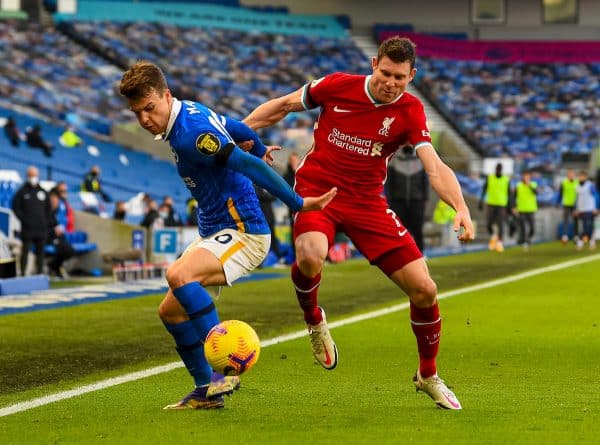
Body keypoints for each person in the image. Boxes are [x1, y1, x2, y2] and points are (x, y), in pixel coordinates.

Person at [244, 36, 474, 410]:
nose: (391, 83)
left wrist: (460, 206)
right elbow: (284, 105)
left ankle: (428, 375)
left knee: (425, 289)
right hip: (319, 191)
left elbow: (433, 164)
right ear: (373, 64)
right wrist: (235, 133)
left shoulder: (411, 110)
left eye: (400, 77)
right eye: (386, 73)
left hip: (367, 202)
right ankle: (314, 320)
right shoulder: (337, 86)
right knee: (311, 255)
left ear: (411, 75)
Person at [119, 61, 335, 410]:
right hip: (214, 231)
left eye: (149, 108)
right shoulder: (187, 111)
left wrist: (297, 201)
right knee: (170, 312)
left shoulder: (190, 133)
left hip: (243, 231)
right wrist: (259, 142)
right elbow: (232, 126)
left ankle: (224, 370)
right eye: (137, 112)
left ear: (166, 96)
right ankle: (207, 391)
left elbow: (245, 164)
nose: (144, 119)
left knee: (178, 274)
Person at [385, 144, 429, 251]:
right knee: (399, 229)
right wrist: (390, 199)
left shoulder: (420, 160)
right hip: (398, 200)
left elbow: (425, 182)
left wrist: (424, 199)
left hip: (416, 200)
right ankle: (400, 252)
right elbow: (389, 183)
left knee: (418, 228)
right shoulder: (394, 161)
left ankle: (420, 253)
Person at [11, 166, 52, 276]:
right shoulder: (22, 192)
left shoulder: (43, 192)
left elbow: (49, 208)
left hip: (41, 229)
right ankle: (23, 273)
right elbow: (15, 207)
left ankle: (40, 273)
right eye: (31, 175)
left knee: (40, 253)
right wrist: (24, 219)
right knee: (25, 251)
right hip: (27, 228)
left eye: (34, 175)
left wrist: (46, 222)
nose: (33, 177)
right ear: (27, 176)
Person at [479, 163, 510, 252]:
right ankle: (493, 236)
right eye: (497, 168)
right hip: (491, 204)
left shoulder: (506, 179)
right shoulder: (490, 178)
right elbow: (484, 189)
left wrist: (510, 207)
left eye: (499, 169)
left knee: (500, 224)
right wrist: (481, 201)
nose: (498, 170)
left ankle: (499, 243)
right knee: (489, 223)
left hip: (501, 205)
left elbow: (509, 193)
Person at [47, 190, 75, 278]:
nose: (54, 202)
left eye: (56, 200)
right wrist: (53, 230)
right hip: (49, 237)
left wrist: (59, 229)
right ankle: (54, 267)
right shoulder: (45, 212)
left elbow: (59, 224)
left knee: (70, 250)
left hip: (59, 236)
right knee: (64, 249)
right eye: (52, 200)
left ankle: (54, 266)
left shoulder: (58, 211)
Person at [254, 184, 283, 263]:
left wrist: (267, 195)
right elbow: (259, 195)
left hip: (269, 217)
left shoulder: (265, 186)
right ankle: (260, 262)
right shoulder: (256, 186)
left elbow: (273, 197)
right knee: (260, 240)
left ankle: (279, 257)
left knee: (273, 239)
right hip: (261, 217)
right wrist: (266, 195)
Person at [512, 171, 538, 251]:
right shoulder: (518, 186)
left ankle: (528, 238)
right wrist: (514, 207)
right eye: (525, 177)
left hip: (531, 209)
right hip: (522, 209)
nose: (526, 178)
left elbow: (536, 192)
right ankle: (525, 242)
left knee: (532, 228)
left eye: (527, 177)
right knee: (523, 227)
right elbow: (513, 197)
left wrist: (529, 185)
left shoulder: (533, 184)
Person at [574, 170, 599, 250]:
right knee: (586, 226)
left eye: (582, 176)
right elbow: (577, 199)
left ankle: (584, 242)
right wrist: (576, 209)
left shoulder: (590, 185)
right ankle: (587, 242)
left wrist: (597, 207)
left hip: (590, 209)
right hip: (581, 210)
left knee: (589, 226)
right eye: (580, 176)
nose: (580, 178)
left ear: (585, 177)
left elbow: (596, 196)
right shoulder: (577, 186)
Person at [556, 169, 579, 244]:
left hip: (575, 204)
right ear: (567, 175)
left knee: (575, 220)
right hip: (566, 204)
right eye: (569, 174)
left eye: (572, 174)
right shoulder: (563, 183)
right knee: (566, 220)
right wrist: (558, 202)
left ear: (574, 175)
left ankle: (576, 236)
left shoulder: (577, 182)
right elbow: (560, 193)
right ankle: (565, 236)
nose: (570, 175)